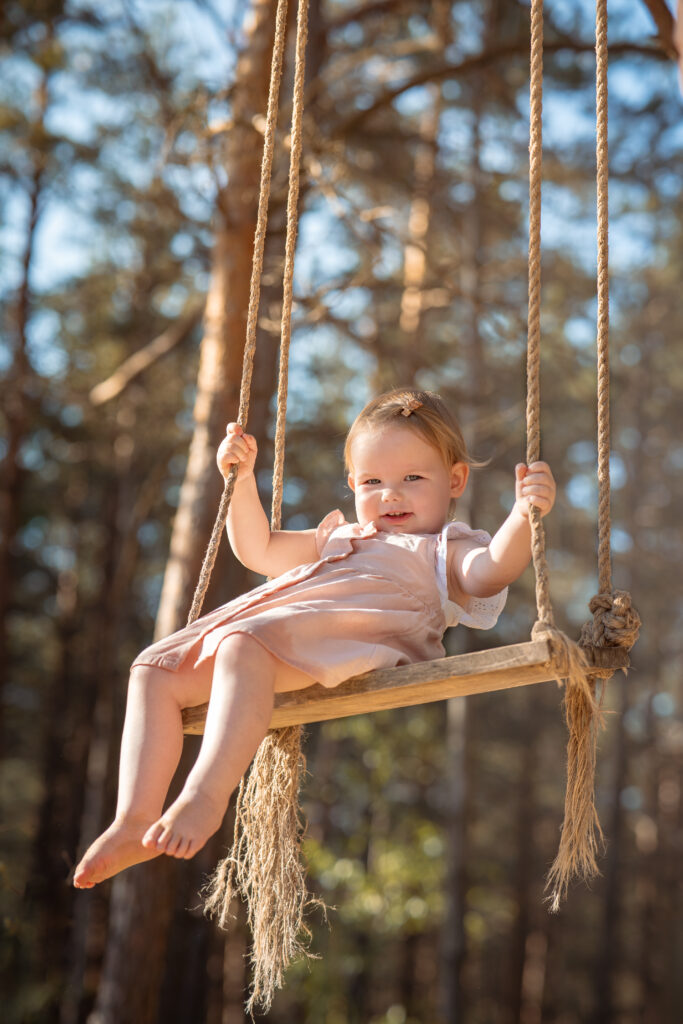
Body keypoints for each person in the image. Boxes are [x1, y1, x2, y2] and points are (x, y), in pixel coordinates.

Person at [73, 388, 556, 889]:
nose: (391, 493)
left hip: (356, 630)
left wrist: (523, 515)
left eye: (412, 478)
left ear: (455, 479)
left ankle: (205, 797)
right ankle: (133, 819)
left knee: (243, 644)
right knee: (153, 667)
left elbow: (489, 574)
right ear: (352, 484)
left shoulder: (443, 549)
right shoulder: (339, 536)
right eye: (373, 481)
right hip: (281, 626)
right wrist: (238, 482)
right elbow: (258, 550)